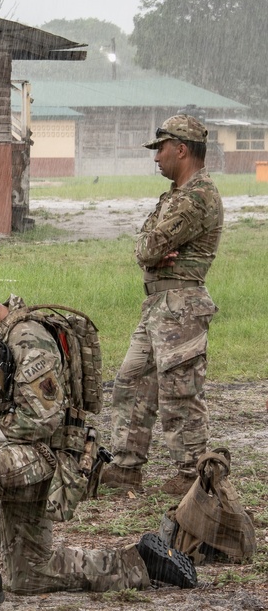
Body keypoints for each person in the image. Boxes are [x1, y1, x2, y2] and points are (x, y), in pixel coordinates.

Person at [0, 267, 197, 608]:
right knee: (29, 575)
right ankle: (140, 563)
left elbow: (42, 417)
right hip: (14, 456)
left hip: (48, 456)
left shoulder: (28, 339)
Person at [102, 114, 223, 497]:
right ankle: (125, 469)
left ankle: (193, 477)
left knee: (179, 395)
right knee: (132, 382)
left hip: (181, 305)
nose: (156, 158)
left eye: (161, 149)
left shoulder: (196, 197)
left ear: (182, 149)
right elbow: (146, 246)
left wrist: (152, 250)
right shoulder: (175, 195)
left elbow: (149, 247)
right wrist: (150, 250)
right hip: (159, 303)